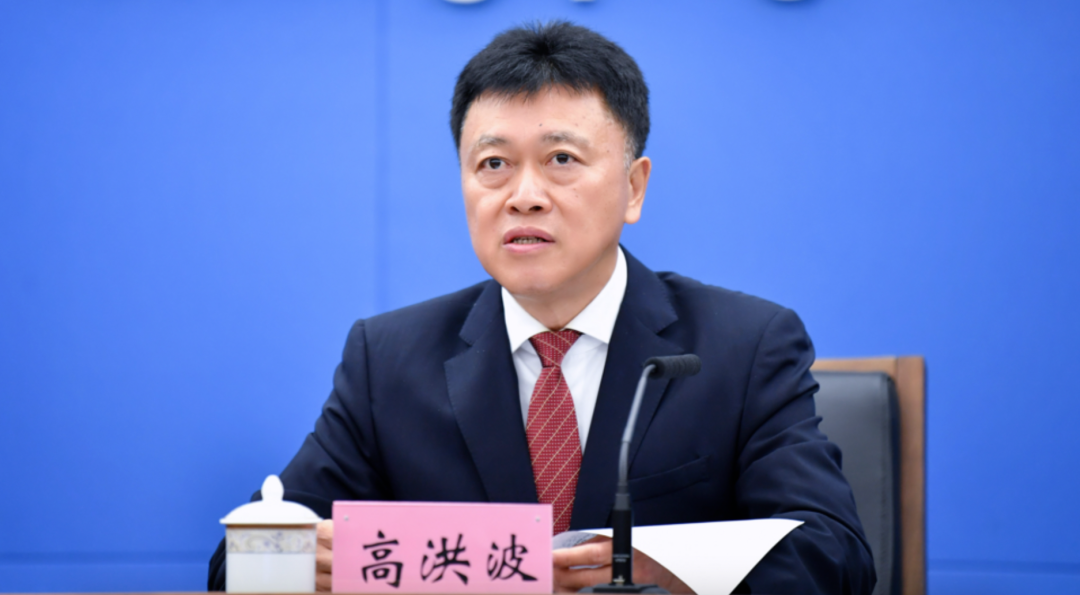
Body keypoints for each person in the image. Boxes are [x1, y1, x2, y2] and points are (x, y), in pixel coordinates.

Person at [209, 21, 875, 594]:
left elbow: (835, 555)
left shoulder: (744, 346)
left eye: (560, 158)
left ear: (633, 187)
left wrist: (671, 572)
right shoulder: (386, 361)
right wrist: (291, 561)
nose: (523, 195)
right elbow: (233, 566)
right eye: (493, 164)